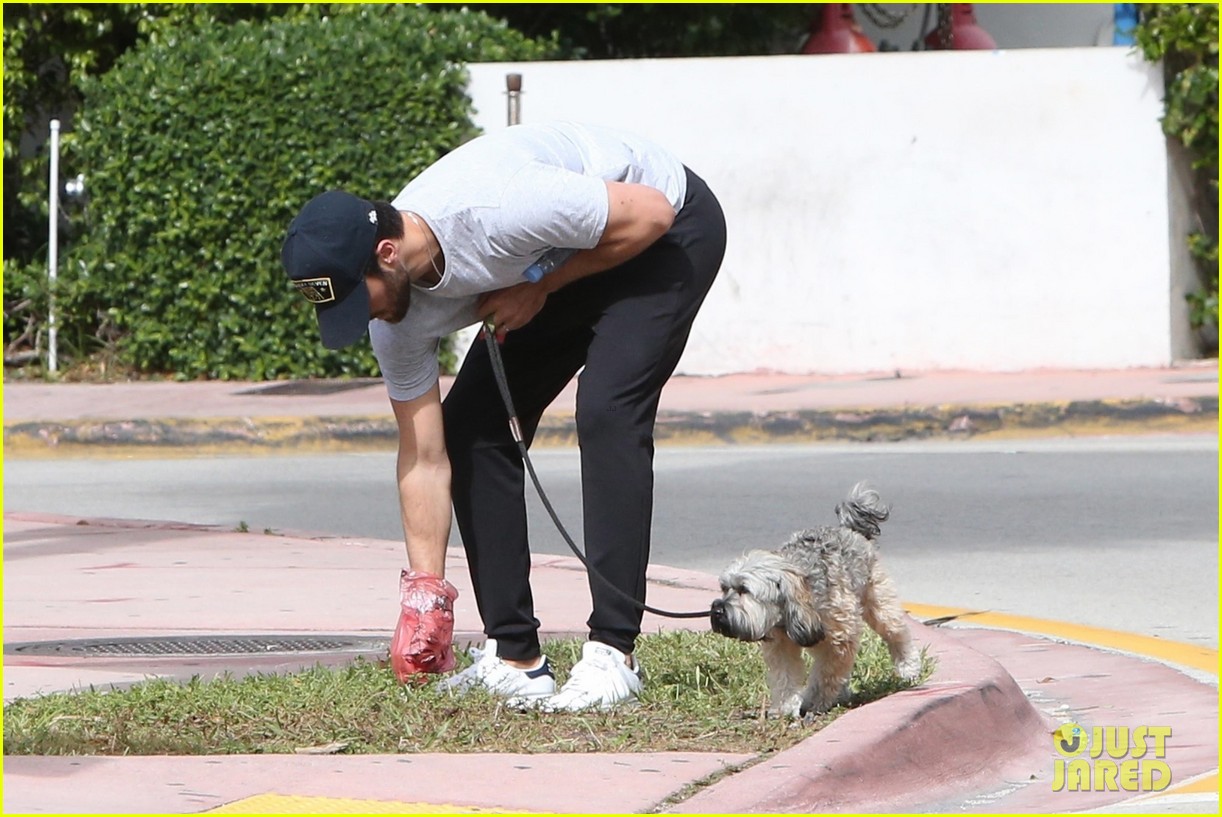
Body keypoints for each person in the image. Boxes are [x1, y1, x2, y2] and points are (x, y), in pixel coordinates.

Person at [281, 121, 726, 711]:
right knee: (468, 429)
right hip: (553, 261)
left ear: (387, 254)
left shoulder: (497, 207)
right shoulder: (397, 323)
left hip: (664, 231)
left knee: (606, 410)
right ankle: (515, 658)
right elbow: (424, 454)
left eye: (362, 300)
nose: (370, 319)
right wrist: (426, 595)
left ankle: (613, 655)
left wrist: (542, 284)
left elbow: (650, 213)